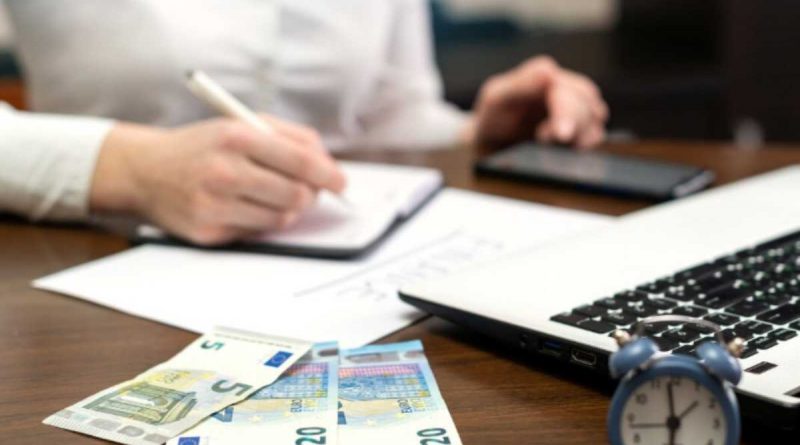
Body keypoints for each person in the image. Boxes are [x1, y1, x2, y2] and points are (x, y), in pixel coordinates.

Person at [0, 0, 608, 245]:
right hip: (81, 252)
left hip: (332, 257)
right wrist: (134, 169)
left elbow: (387, 114)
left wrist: (478, 136)